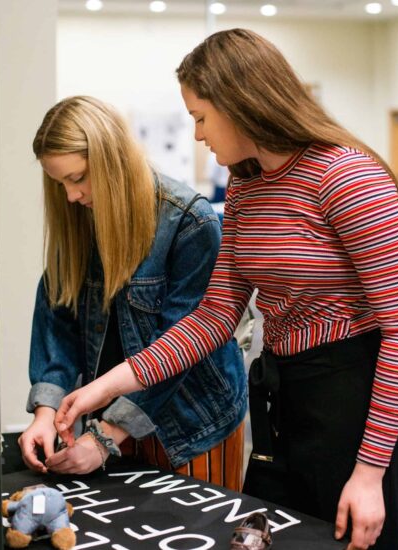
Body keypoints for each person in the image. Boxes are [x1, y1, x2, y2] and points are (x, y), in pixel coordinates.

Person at [54, 30, 398, 550]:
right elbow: (214, 317)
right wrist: (107, 386)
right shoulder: (246, 185)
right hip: (283, 392)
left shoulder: (347, 177)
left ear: (240, 104)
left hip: (358, 397)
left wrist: (368, 475)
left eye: (201, 117)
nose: (198, 134)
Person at [18, 95, 247, 488]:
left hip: (191, 426)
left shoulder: (188, 221)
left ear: (111, 164)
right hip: (105, 426)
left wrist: (108, 435)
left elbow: (181, 346)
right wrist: (45, 410)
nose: (71, 196)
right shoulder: (77, 217)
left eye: (77, 178)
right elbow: (57, 321)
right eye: (60, 184)